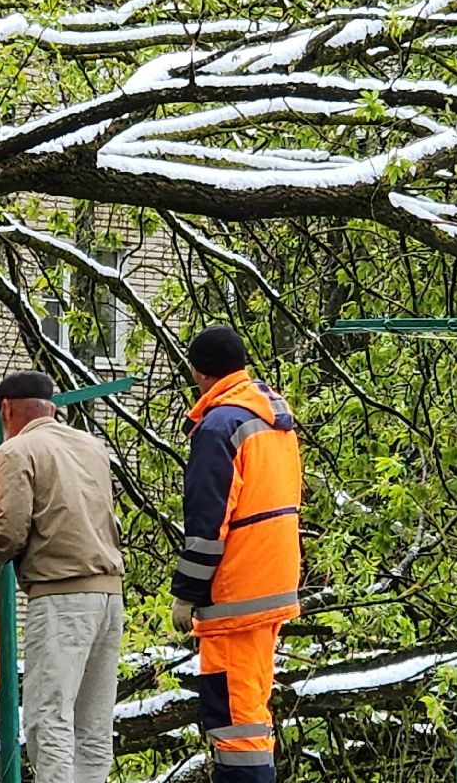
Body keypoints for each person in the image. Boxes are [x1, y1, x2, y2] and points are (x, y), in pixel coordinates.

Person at [169, 327, 302, 783]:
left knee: (234, 719)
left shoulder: (219, 427)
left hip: (235, 594)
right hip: (273, 584)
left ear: (198, 372)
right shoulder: (272, 419)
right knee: (252, 712)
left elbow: (208, 523)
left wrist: (187, 592)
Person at [0, 370, 125, 783]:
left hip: (61, 597)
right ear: (51, 408)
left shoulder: (16, 451)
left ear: (6, 410)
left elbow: (10, 531)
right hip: (109, 596)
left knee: (49, 717)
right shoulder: (91, 446)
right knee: (93, 725)